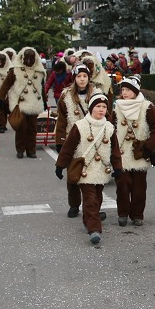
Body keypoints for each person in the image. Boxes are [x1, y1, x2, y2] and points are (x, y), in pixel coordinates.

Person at [55, 93, 122, 245]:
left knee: (97, 198)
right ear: (91, 108)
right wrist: (60, 165)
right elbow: (69, 147)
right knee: (90, 199)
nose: (101, 110)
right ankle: (94, 230)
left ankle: (88, 219)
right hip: (85, 170)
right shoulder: (80, 126)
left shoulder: (110, 128)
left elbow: (115, 150)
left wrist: (118, 167)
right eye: (98, 106)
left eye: (104, 107)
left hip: (102, 170)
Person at [112, 76, 155, 226]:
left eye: (128, 89)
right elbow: (110, 127)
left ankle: (137, 214)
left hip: (140, 152)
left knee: (139, 187)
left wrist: (148, 148)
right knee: (122, 184)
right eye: (123, 89)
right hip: (122, 152)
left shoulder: (147, 107)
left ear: (135, 90)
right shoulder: (117, 106)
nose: (124, 93)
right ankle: (123, 213)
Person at [54, 64, 97, 218]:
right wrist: (60, 141)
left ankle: (93, 206)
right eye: (79, 76)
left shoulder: (97, 94)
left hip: (93, 140)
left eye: (85, 76)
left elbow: (107, 116)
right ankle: (74, 205)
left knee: (93, 176)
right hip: (73, 140)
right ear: (74, 78)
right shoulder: (66, 96)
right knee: (73, 176)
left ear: (89, 77)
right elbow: (61, 120)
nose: (82, 79)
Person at [0, 47, 46, 159]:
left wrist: (45, 101)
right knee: (21, 127)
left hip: (34, 102)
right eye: (26, 58)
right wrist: (0, 98)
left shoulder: (40, 72)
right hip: (19, 102)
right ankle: (20, 149)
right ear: (22, 58)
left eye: (31, 58)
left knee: (32, 128)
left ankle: (31, 150)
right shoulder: (15, 70)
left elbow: (41, 87)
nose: (28, 61)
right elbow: (6, 85)